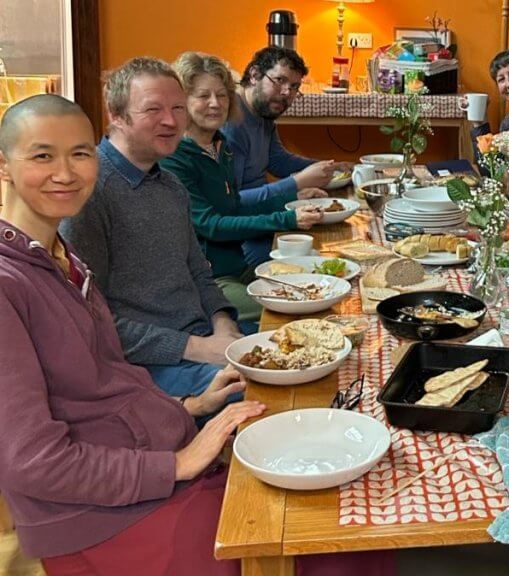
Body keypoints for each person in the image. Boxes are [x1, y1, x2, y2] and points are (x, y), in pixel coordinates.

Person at [0, 93, 392, 576]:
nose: (65, 172)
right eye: (42, 155)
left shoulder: (63, 260)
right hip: (101, 521)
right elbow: (34, 464)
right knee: (332, 542)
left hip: (155, 462)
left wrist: (189, 407)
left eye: (79, 153)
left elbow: (105, 386)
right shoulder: (10, 284)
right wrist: (179, 463)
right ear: (4, 165)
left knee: (352, 515)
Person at [60, 57, 244, 400]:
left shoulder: (171, 185)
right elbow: (88, 318)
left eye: (178, 108)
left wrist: (224, 325)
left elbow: (198, 273)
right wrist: (197, 348)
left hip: (203, 338)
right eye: (153, 109)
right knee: (267, 397)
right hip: (147, 366)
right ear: (116, 115)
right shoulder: (87, 193)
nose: (171, 121)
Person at [161, 52, 324, 322]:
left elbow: (234, 204)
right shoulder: (175, 156)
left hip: (237, 268)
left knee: (317, 285)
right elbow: (211, 225)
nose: (215, 104)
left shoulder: (219, 145)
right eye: (203, 96)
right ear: (181, 101)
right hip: (206, 281)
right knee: (297, 311)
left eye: (222, 95)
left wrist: (292, 201)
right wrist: (286, 218)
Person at [221, 46, 343, 266]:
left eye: (294, 87)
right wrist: (296, 184)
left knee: (333, 242)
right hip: (242, 236)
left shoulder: (264, 112)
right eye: (279, 80)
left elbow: (278, 160)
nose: (287, 92)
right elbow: (232, 203)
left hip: (264, 216)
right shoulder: (232, 123)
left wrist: (330, 167)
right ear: (255, 75)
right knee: (318, 255)